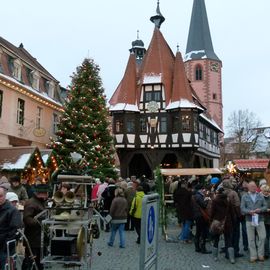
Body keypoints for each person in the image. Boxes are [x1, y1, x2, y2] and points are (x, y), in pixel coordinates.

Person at [22, 183, 49, 270]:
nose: (47, 194)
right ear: (40, 193)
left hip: (38, 238)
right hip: (33, 239)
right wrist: (41, 222)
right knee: (30, 261)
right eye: (45, 193)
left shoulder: (40, 201)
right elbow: (27, 219)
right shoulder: (31, 203)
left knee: (39, 262)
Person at [241, 181, 267, 263]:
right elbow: (242, 208)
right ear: (248, 187)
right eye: (252, 186)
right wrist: (249, 212)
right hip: (249, 219)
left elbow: (265, 206)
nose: (254, 188)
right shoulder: (244, 196)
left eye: (255, 186)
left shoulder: (260, 195)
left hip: (260, 219)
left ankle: (260, 254)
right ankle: (253, 256)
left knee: (263, 237)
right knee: (251, 239)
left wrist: (261, 209)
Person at [210, 188, 236, 263]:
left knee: (216, 240)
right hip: (227, 222)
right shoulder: (228, 200)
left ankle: (215, 257)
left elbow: (212, 212)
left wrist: (211, 221)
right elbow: (232, 212)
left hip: (217, 222)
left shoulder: (215, 201)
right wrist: (233, 222)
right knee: (228, 240)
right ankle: (232, 258)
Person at [0, 186, 22, 270]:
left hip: (4, 248)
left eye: (0, 196)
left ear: (5, 196)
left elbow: (15, 230)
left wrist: (6, 245)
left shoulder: (12, 211)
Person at [222, 178, 243, 258]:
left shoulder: (221, 193)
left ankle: (227, 253)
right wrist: (239, 216)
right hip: (233, 217)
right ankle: (235, 252)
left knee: (227, 235)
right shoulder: (233, 193)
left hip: (224, 217)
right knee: (235, 234)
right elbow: (237, 205)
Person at [192, 184, 212, 254]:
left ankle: (197, 247)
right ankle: (203, 248)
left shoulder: (195, 195)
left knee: (198, 231)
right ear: (200, 189)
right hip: (201, 216)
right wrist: (207, 200)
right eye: (203, 189)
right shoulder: (198, 196)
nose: (204, 190)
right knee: (203, 232)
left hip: (197, 215)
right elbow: (204, 205)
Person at [261, 185, 270, 259]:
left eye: (268, 191)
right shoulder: (260, 197)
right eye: (265, 191)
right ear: (262, 191)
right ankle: (266, 252)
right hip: (262, 220)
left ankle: (266, 251)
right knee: (265, 237)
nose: (266, 193)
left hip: (269, 220)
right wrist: (265, 210)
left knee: (267, 237)